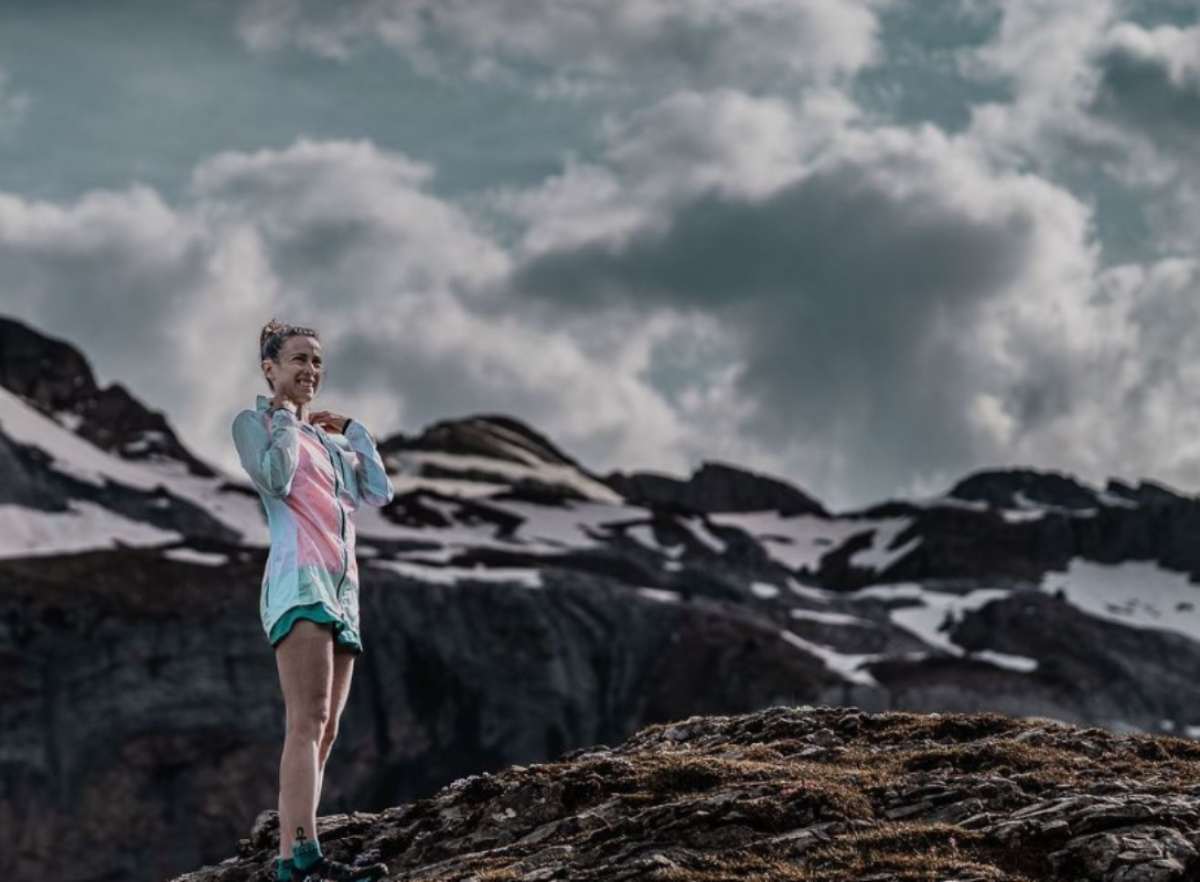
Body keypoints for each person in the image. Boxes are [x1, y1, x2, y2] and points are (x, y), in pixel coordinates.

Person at [232, 318, 394, 882]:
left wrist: (354, 431)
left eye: (317, 362)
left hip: (342, 590)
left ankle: (295, 851)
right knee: (306, 721)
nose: (310, 371)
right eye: (298, 360)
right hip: (298, 583)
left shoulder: (327, 441)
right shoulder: (255, 424)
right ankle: (300, 857)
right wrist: (282, 420)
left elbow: (376, 491)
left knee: (326, 729)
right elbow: (274, 478)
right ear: (270, 368)